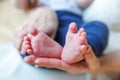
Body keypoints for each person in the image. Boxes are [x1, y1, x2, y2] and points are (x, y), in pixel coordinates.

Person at [11, 0, 109, 65]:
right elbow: (18, 4)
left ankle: (81, 50)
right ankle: (53, 52)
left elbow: (83, 2)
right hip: (43, 28)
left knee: (99, 26)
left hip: (73, 30)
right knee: (29, 39)